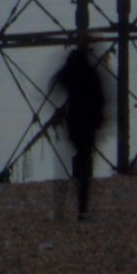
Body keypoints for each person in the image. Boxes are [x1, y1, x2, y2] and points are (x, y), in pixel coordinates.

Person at [46, 43, 107, 221]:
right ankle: (82, 208)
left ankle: (60, 210)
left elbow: (53, 83)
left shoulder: (69, 73)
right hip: (88, 124)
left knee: (67, 163)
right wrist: (100, 121)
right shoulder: (91, 73)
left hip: (73, 124)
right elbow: (100, 100)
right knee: (85, 161)